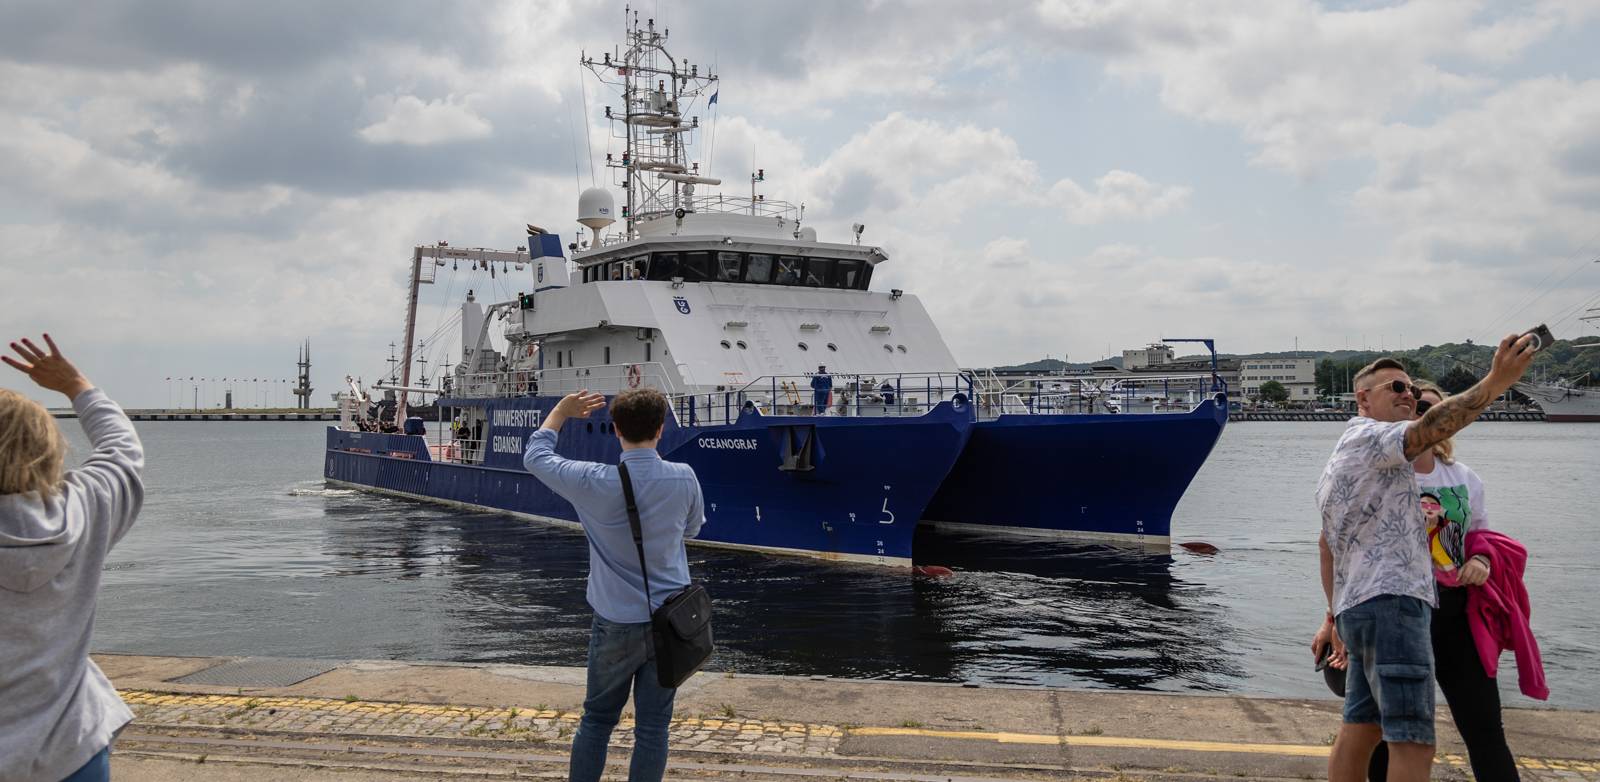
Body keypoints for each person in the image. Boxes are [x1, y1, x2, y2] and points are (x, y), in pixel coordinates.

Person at [1311, 334, 1534, 782]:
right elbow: (1432, 426)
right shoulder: (1370, 438)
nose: (1408, 395)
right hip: (1395, 600)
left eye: (1410, 389)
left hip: (1365, 603)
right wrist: (1497, 380)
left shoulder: (1364, 456)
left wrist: (1334, 613)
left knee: (1362, 726)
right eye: (1396, 387)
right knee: (1413, 735)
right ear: (1363, 399)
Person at [522, 388, 704, 782]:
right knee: (653, 729)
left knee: (598, 720)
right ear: (661, 429)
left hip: (615, 622)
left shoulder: (593, 481)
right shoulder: (685, 477)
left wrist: (559, 412)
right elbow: (690, 529)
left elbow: (536, 458)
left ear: (616, 430)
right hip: (671, 622)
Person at [1361, 380, 1521, 781]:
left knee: (1485, 730)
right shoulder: (1384, 474)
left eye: (1432, 407)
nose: (1424, 414)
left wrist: (1482, 559)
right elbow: (1350, 547)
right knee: (1390, 732)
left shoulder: (1463, 476)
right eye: (1417, 408)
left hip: (1456, 613)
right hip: (1399, 612)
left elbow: (1481, 535)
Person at [2, 334, 144, 782]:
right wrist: (77, 385)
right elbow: (123, 453)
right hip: (71, 751)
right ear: (49, 449)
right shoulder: (84, 510)